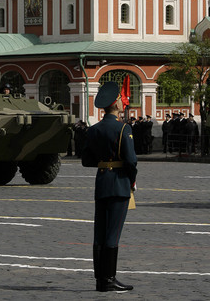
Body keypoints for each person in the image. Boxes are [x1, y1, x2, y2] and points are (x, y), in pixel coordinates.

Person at [82, 81, 137, 293]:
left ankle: (100, 280)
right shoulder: (124, 128)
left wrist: (105, 162)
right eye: (121, 101)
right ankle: (109, 279)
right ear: (115, 104)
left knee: (100, 233)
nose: (124, 104)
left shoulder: (95, 129)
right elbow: (131, 161)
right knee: (113, 234)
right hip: (120, 183)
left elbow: (86, 160)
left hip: (101, 182)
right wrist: (131, 180)